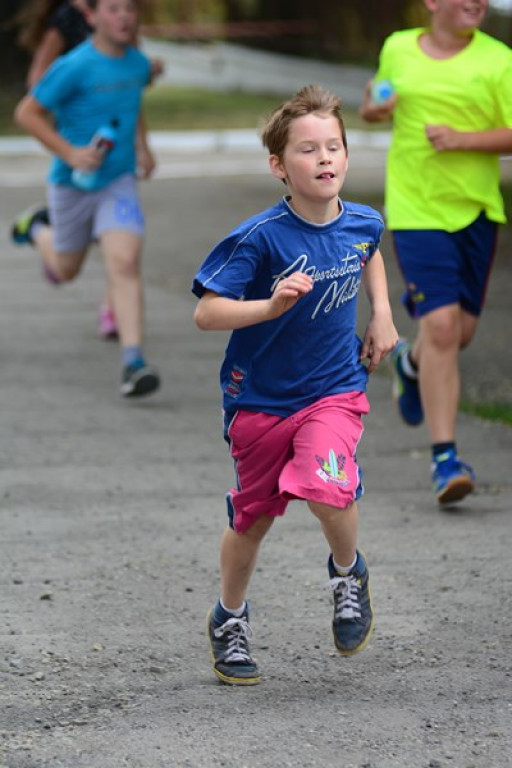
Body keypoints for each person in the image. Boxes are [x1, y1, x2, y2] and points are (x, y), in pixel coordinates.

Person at [192, 84, 398, 685]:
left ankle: (346, 572)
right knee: (252, 520)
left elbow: (370, 252)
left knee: (326, 486)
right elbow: (207, 313)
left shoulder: (363, 219)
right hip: (258, 399)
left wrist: (382, 313)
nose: (325, 158)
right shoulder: (261, 238)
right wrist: (270, 306)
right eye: (308, 150)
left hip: (333, 391)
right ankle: (229, 617)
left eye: (333, 146)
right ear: (280, 166)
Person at [360, 0, 512, 505]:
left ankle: (410, 364)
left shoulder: (498, 58)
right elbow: (374, 100)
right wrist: (374, 108)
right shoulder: (399, 48)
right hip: (415, 208)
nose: (476, 3)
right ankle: (446, 459)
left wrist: (463, 140)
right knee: (443, 325)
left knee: (458, 334)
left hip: (476, 211)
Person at [10, 0, 160, 398]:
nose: (124, 16)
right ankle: (37, 227)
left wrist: (142, 147)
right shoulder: (74, 66)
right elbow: (26, 113)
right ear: (91, 17)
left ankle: (134, 362)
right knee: (64, 270)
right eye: (113, 9)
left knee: (125, 262)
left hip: (117, 183)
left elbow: (131, 104)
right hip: (72, 184)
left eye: (129, 8)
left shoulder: (138, 64)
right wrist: (69, 152)